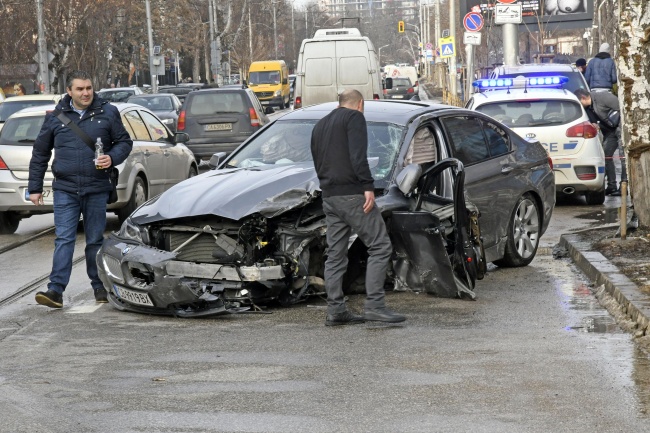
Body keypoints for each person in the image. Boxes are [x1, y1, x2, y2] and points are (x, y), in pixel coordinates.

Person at [28, 70, 133, 308]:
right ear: (69, 91)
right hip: (65, 188)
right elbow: (40, 153)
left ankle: (99, 287)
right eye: (80, 89)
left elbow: (125, 142)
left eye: (88, 88)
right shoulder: (55, 116)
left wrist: (111, 157)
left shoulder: (108, 112)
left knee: (94, 240)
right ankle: (55, 291)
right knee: (64, 239)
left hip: (96, 187)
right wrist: (34, 188)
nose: (85, 93)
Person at [310, 89, 405, 326]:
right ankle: (375, 306)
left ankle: (336, 310)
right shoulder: (355, 118)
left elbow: (317, 159)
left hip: (329, 196)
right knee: (380, 245)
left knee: (336, 254)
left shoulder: (320, 125)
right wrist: (368, 186)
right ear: (360, 104)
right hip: (352, 195)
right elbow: (358, 155)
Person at [575, 88, 625, 196]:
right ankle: (612, 186)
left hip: (620, 128)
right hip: (609, 132)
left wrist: (618, 124)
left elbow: (622, 108)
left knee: (623, 157)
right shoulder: (588, 109)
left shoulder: (603, 97)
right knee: (606, 156)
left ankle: (624, 186)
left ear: (583, 98)